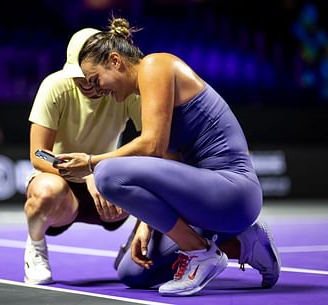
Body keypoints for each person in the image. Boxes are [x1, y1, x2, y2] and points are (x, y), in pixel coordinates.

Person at [55, 17, 281, 296]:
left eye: (95, 80)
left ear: (115, 61)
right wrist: (145, 224)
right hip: (206, 201)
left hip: (233, 193)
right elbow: (166, 165)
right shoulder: (149, 97)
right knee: (133, 272)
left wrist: (90, 162)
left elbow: (151, 146)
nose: (97, 90)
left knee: (106, 174)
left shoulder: (155, 66)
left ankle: (200, 252)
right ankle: (247, 244)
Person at [23, 27, 142, 285]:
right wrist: (86, 173)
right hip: (62, 185)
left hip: (105, 188)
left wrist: (101, 174)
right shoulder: (55, 86)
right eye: (80, 77)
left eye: (91, 77)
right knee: (44, 192)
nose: (87, 84)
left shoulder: (121, 89)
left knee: (149, 180)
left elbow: (153, 145)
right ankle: (36, 250)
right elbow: (38, 155)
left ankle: (135, 244)